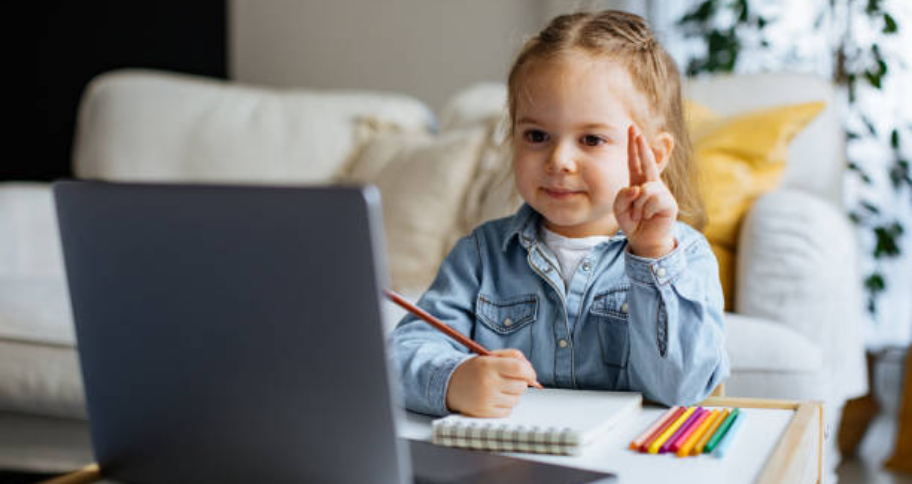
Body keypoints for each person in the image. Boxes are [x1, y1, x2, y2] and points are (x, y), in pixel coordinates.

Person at [390, 10, 729, 418]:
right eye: (536, 136)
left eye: (591, 139)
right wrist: (453, 379)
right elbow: (399, 357)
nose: (559, 160)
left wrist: (652, 254)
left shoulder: (683, 257)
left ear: (653, 155)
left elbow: (681, 388)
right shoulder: (481, 256)